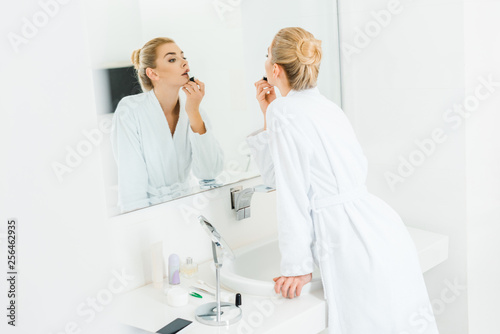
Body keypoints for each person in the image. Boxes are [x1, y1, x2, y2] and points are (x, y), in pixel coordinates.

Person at [246, 27, 439, 334]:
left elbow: (292, 194)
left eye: (267, 54)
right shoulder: (324, 106)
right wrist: (268, 114)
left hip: (346, 237)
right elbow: (279, 176)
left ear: (275, 69)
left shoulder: (286, 110)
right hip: (381, 228)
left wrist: (297, 267)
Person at [111, 37, 224, 213]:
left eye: (183, 56)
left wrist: (194, 112)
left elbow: (210, 172)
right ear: (153, 74)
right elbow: (131, 187)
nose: (184, 62)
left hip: (189, 211)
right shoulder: (130, 110)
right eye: (172, 59)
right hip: (150, 214)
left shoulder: (193, 109)